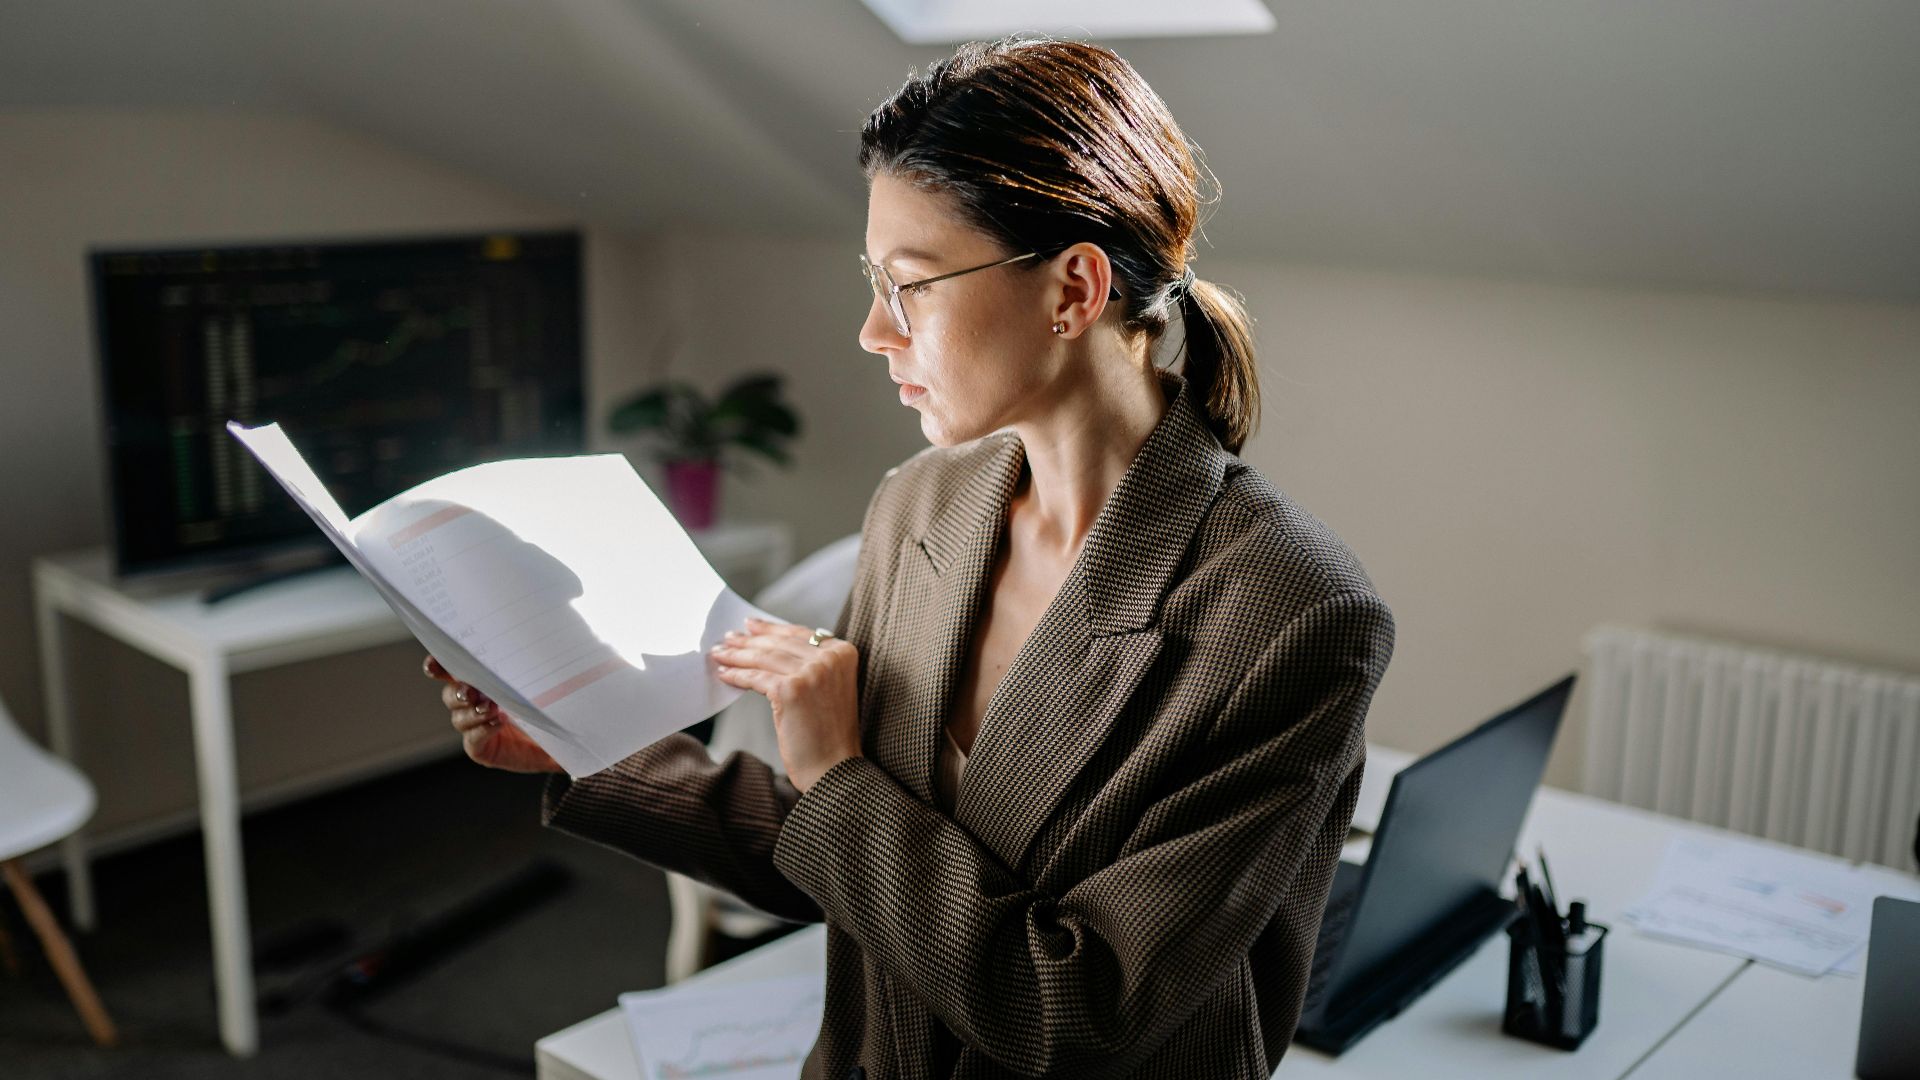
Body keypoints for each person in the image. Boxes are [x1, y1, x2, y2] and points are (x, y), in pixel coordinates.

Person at [429, 37, 1394, 1079]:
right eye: (873, 280)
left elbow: (1077, 1010)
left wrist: (837, 770)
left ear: (1074, 290)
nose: (871, 331)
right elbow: (842, 854)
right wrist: (584, 739)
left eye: (912, 285)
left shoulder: (1295, 615)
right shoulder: (919, 506)